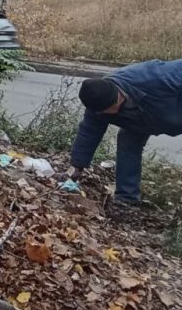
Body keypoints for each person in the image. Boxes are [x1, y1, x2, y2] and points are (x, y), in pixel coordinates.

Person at [68, 61, 182, 204]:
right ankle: (127, 198)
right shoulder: (96, 102)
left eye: (105, 111)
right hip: (142, 121)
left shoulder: (154, 77)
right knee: (127, 141)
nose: (101, 114)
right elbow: (88, 133)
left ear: (117, 98)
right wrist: (77, 166)